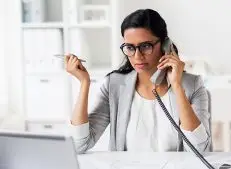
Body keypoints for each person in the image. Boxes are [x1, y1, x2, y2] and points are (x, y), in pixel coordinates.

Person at [65, 9, 211, 154]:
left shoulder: (193, 85)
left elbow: (199, 149)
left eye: (145, 46)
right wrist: (84, 83)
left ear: (166, 45)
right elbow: (79, 145)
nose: (137, 56)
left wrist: (177, 87)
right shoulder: (114, 86)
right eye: (130, 48)